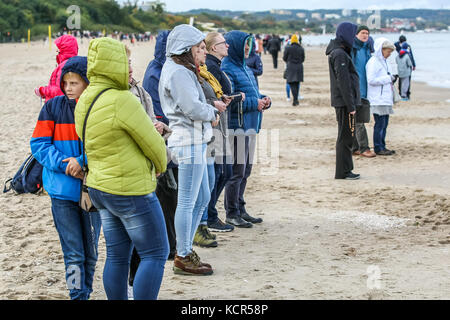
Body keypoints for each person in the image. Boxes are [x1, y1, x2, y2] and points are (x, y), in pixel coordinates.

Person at [74, 37, 169, 300]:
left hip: (100, 188)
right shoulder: (122, 100)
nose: (129, 67)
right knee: (155, 253)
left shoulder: (85, 98)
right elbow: (155, 145)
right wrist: (160, 166)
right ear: (113, 64)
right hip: (130, 190)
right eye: (125, 62)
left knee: (116, 256)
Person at [30, 56, 101, 300]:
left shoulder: (97, 109)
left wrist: (82, 161)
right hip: (61, 192)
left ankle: (86, 292)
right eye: (66, 83)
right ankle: (76, 294)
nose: (69, 88)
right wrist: (65, 163)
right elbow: (38, 144)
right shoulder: (52, 107)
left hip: (93, 191)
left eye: (75, 83)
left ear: (87, 83)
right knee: (73, 253)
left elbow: (104, 144)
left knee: (91, 252)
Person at [159, 24, 222, 276]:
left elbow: (193, 105)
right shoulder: (178, 73)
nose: (204, 52)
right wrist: (213, 111)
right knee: (187, 201)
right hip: (187, 141)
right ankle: (183, 254)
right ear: (187, 49)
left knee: (202, 197)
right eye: (200, 47)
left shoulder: (181, 69)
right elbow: (193, 109)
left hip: (194, 139)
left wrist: (207, 110)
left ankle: (185, 250)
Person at [127, 45, 174, 287]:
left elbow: (152, 119)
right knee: (147, 242)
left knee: (135, 240)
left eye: (131, 62)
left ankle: (133, 277)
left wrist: (161, 128)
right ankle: (134, 278)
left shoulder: (138, 88)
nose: (131, 67)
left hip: (147, 167)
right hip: (135, 173)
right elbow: (133, 131)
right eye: (125, 63)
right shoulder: (120, 95)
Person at [222, 30, 272, 228]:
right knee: (236, 172)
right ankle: (231, 212)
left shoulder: (246, 68)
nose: (247, 49)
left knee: (246, 171)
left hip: (251, 125)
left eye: (249, 45)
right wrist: (255, 103)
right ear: (234, 46)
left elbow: (254, 93)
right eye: (244, 45)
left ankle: (241, 208)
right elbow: (230, 99)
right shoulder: (227, 68)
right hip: (237, 127)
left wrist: (266, 100)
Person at [141, 30, 179, 262]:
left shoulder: (165, 69)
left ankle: (171, 245)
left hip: (169, 137)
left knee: (170, 196)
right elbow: (158, 110)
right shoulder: (157, 72)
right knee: (166, 195)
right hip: (163, 140)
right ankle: (169, 247)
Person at [194, 46, 233, 248]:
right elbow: (193, 103)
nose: (204, 53)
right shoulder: (194, 73)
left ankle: (205, 222)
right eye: (200, 49)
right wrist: (214, 107)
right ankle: (201, 225)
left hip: (213, 129)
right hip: (203, 133)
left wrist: (218, 101)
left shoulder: (205, 71)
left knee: (213, 178)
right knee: (208, 181)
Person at [205, 32, 242, 233]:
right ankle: (210, 215)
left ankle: (210, 213)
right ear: (213, 48)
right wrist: (236, 97)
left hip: (222, 127)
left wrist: (234, 97)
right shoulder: (211, 67)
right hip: (216, 129)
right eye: (223, 43)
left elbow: (222, 95)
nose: (227, 45)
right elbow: (212, 97)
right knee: (221, 172)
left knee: (224, 172)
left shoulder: (216, 66)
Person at [326, 22, 361, 180]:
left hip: (344, 102)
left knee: (348, 136)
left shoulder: (341, 51)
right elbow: (343, 82)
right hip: (344, 103)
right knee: (345, 137)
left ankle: (347, 169)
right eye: (352, 34)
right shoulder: (339, 53)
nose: (354, 38)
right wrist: (351, 105)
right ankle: (342, 172)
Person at [366, 38, 396, 156]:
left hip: (385, 97)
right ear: (381, 49)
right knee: (380, 124)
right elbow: (371, 80)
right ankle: (378, 147)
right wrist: (388, 79)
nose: (389, 54)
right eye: (388, 51)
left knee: (385, 123)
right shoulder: (373, 62)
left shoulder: (385, 61)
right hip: (377, 98)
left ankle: (382, 145)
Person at [350, 25, 377, 158]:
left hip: (366, 89)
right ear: (356, 34)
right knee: (359, 120)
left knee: (358, 120)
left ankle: (355, 147)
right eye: (362, 33)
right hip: (356, 89)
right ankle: (364, 148)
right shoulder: (354, 49)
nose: (365, 35)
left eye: (367, 33)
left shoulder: (366, 48)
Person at [35, 35, 78, 102]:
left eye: (58, 48)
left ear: (63, 49)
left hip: (58, 106)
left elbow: (59, 90)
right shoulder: (75, 63)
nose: (56, 50)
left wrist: (42, 91)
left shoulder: (64, 66)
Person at [283, 34, 305, 106]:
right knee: (297, 83)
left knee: (292, 83)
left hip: (290, 67)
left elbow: (284, 58)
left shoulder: (288, 48)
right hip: (299, 67)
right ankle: (296, 99)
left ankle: (295, 99)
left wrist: (289, 61)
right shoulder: (301, 48)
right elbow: (303, 59)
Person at [394, 35, 416, 99]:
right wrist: (413, 65)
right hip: (405, 67)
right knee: (405, 81)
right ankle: (404, 94)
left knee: (404, 81)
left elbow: (411, 55)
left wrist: (413, 65)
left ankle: (404, 94)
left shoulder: (403, 47)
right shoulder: (404, 47)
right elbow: (411, 56)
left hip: (402, 66)